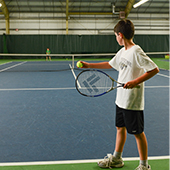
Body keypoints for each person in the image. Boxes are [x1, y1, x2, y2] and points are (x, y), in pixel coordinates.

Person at [79, 19, 159, 170]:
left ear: (120, 35)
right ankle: (117, 158)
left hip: (132, 101)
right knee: (120, 128)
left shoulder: (136, 51)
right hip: (120, 99)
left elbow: (154, 69)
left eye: (116, 35)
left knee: (138, 133)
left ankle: (144, 165)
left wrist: (135, 81)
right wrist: (89, 65)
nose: (116, 38)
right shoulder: (123, 51)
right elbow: (110, 64)